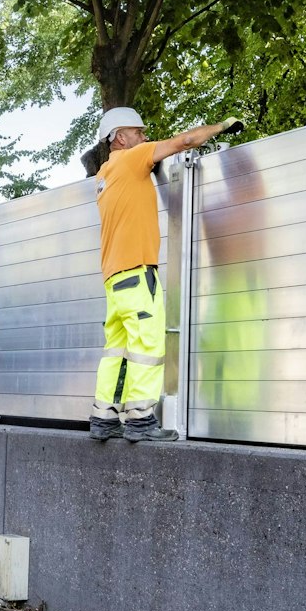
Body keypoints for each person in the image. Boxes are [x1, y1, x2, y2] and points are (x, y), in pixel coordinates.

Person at [88, 106, 243, 442]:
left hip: (114, 279)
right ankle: (140, 421)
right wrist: (221, 125)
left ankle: (103, 419)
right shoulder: (132, 158)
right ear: (121, 137)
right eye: (139, 132)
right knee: (148, 344)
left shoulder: (103, 176)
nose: (145, 137)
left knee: (117, 350)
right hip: (137, 271)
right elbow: (183, 141)